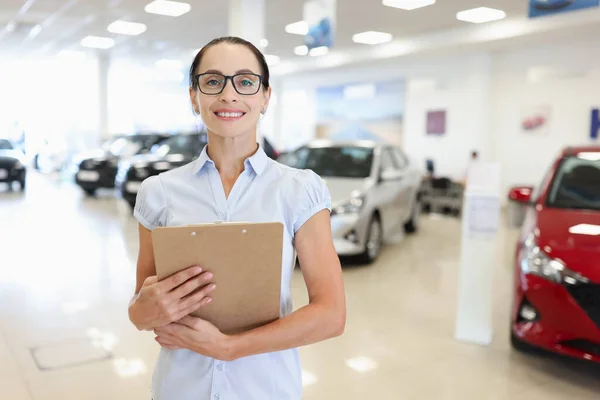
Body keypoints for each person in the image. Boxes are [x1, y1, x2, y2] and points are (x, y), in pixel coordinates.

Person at [127, 36, 346, 400]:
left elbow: (331, 314)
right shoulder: (159, 191)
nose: (229, 95)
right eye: (213, 81)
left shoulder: (298, 190)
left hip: (265, 388)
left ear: (265, 97)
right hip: (180, 389)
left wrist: (229, 347)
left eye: (245, 82)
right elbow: (140, 311)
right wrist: (146, 310)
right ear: (194, 97)